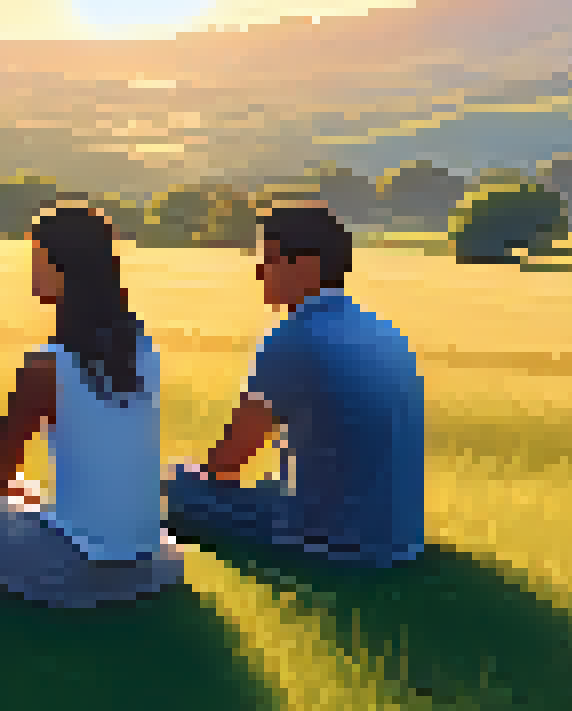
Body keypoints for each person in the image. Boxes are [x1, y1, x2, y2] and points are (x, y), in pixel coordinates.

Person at [0, 203, 186, 607]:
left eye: (37, 260)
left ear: (63, 268)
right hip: (152, 566)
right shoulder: (144, 350)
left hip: (69, 569)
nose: (31, 271)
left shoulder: (45, 365)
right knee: (25, 497)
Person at [161, 203, 426, 567]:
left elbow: (226, 465)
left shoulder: (292, 337)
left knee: (177, 487)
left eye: (269, 260)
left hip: (332, 538)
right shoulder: (384, 330)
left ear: (306, 265)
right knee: (268, 485)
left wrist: (186, 475)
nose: (258, 273)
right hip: (400, 535)